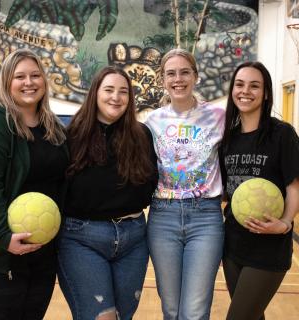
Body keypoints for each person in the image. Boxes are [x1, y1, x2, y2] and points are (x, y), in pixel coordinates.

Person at [56, 66, 158, 320]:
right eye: (109, 90)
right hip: (82, 238)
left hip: (133, 237)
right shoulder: (71, 135)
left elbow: (150, 183)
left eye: (123, 91)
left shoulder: (141, 135)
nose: (116, 97)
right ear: (95, 93)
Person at [0, 48, 68, 320]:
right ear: (7, 82)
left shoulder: (52, 126)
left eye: (35, 75)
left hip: (42, 254)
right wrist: (4, 238)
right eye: (20, 77)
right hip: (2, 255)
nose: (28, 82)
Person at [145, 48, 225, 319]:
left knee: (194, 311)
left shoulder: (218, 116)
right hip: (163, 217)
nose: (178, 79)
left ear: (196, 76)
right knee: (170, 308)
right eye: (171, 73)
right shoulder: (153, 121)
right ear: (163, 79)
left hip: (205, 217)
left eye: (184, 72)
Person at [219, 61, 299, 320]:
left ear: (265, 93)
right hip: (232, 247)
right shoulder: (227, 139)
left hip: (268, 249)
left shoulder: (282, 134)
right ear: (232, 90)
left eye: (255, 86)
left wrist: (286, 223)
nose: (245, 91)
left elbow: (294, 186)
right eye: (240, 85)